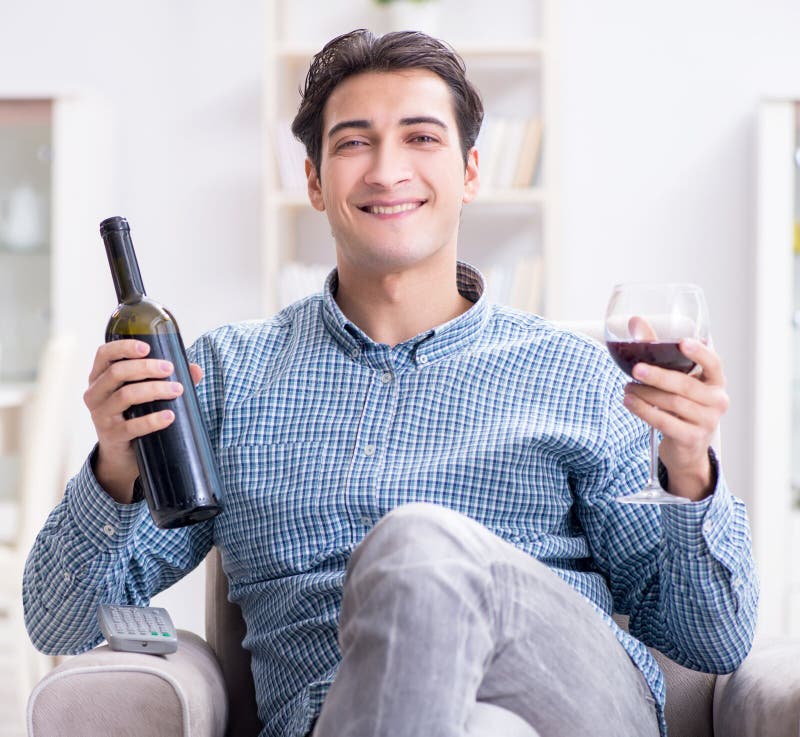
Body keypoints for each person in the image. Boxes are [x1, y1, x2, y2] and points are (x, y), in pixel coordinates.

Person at [23, 29, 757, 737]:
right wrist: (116, 467)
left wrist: (690, 472)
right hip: (334, 714)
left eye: (421, 137)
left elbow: (714, 640)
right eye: (352, 142)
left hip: (568, 703)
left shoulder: (579, 375)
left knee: (419, 543)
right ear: (313, 180)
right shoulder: (226, 378)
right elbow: (60, 619)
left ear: (471, 172)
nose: (385, 169)